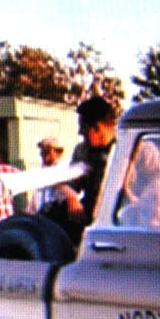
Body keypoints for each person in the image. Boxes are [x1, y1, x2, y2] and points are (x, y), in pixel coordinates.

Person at [48, 96, 118, 241]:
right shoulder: (82, 151)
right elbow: (67, 182)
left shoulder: (132, 148)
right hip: (89, 213)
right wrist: (71, 197)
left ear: (97, 128)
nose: (80, 133)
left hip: (120, 216)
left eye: (83, 127)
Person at [25, 137, 66, 214]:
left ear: (58, 152)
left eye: (47, 151)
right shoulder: (41, 174)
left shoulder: (64, 171)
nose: (44, 156)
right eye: (42, 152)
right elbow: (33, 204)